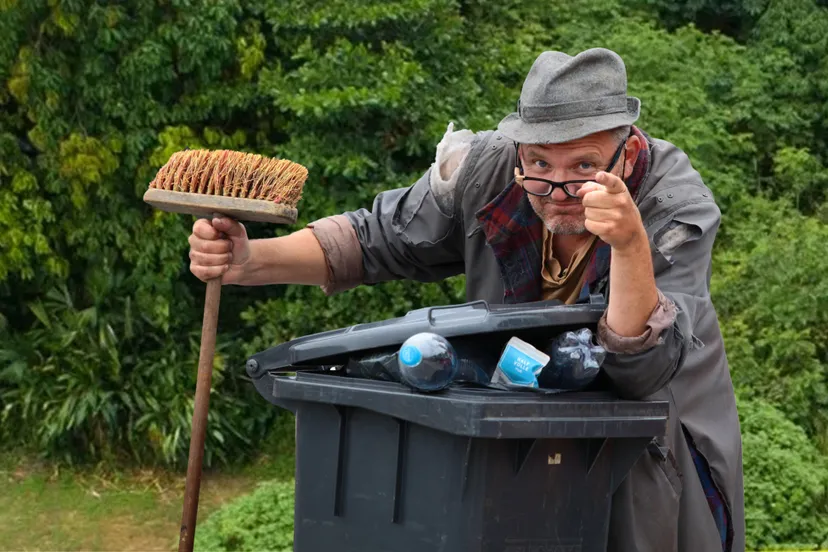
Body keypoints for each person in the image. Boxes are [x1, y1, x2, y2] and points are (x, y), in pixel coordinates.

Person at [187, 48, 744, 552]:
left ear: (628, 149)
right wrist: (251, 261)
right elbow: (379, 237)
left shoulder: (674, 205)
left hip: (644, 446)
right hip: (512, 431)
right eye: (540, 165)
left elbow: (641, 366)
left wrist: (628, 244)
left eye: (584, 166)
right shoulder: (488, 169)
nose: (559, 189)